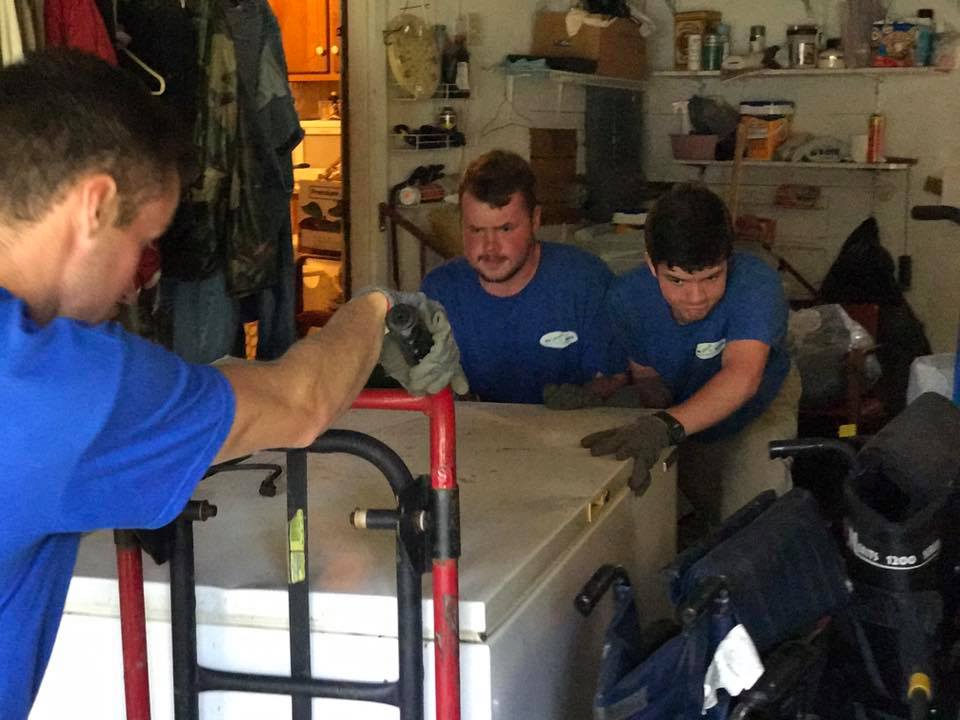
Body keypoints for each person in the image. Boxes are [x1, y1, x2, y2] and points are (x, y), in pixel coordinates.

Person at [0, 49, 466, 715]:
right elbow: (300, 403)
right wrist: (377, 310)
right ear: (93, 206)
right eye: (143, 241)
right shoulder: (63, 382)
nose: (137, 278)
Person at [581, 184, 800, 527]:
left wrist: (665, 426)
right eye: (677, 281)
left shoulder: (757, 284)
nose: (696, 297)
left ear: (728, 260)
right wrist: (609, 399)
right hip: (684, 403)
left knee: (754, 512)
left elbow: (743, 377)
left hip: (760, 402)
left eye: (712, 277)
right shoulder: (626, 300)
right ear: (651, 265)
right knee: (680, 503)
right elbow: (651, 382)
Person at [420, 150, 625, 403]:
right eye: (476, 230)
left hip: (568, 426)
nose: (490, 247)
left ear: (535, 220)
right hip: (473, 427)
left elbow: (614, 377)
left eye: (505, 229)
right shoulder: (439, 291)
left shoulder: (586, 281)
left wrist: (585, 396)